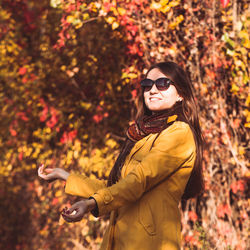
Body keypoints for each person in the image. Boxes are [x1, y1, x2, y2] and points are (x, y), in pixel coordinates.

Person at [38, 61, 204, 250]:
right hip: (121, 240)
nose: (153, 90)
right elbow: (116, 188)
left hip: (150, 243)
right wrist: (64, 175)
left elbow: (138, 180)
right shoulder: (142, 137)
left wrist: (91, 204)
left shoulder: (179, 133)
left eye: (163, 84)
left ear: (181, 94)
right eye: (147, 85)